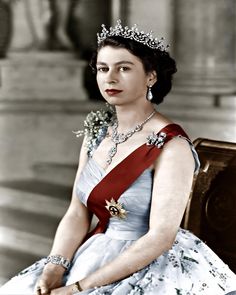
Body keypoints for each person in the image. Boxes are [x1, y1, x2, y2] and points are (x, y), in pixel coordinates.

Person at [0, 19, 236, 295]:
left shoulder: (173, 147)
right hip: (95, 252)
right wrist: (55, 267)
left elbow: (160, 237)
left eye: (124, 68)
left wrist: (79, 287)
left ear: (151, 76)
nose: (110, 78)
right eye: (103, 68)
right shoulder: (96, 132)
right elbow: (78, 212)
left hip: (150, 263)